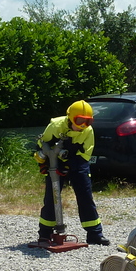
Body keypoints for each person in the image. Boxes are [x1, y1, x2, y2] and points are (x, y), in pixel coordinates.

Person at [36, 100, 111, 245]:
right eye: (80, 120)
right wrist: (45, 163)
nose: (83, 125)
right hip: (54, 163)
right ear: (70, 118)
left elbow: (85, 155)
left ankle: (95, 234)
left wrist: (67, 166)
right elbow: (42, 145)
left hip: (78, 163)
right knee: (52, 198)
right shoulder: (56, 125)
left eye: (88, 121)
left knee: (85, 197)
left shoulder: (88, 131)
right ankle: (45, 234)